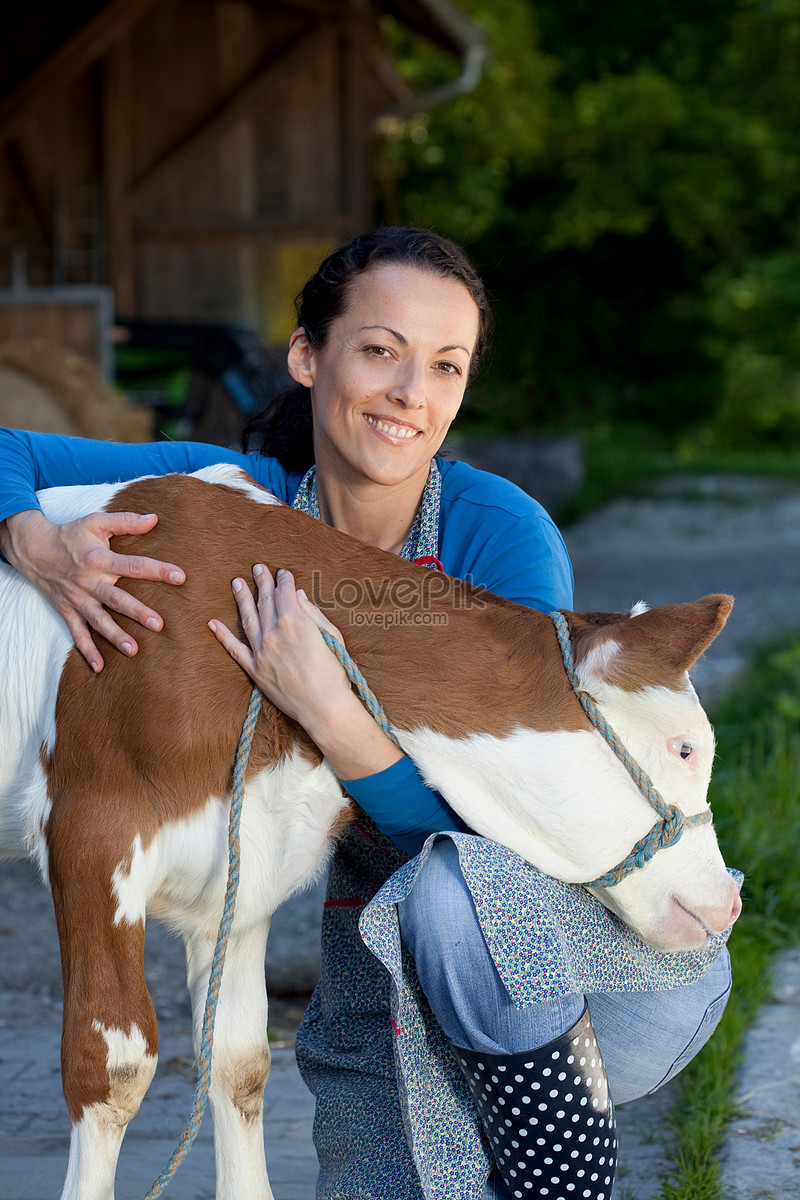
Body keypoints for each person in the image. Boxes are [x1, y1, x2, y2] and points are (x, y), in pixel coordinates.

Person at [0, 227, 734, 1200]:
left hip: (557, 978)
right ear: (308, 357)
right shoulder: (233, 503)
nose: (408, 394)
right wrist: (32, 536)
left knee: (448, 885)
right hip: (375, 1016)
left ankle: (561, 1168)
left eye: (444, 366)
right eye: (379, 350)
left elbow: (494, 860)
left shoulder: (495, 538)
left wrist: (333, 717)